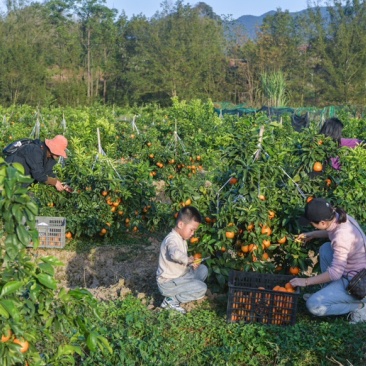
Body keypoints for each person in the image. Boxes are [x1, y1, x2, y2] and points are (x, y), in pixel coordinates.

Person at [290, 198, 366, 323]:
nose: (311, 225)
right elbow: (332, 232)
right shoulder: (340, 217)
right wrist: (313, 234)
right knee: (326, 249)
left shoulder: (342, 237)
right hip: (353, 269)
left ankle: (360, 307)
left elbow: (334, 273)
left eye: (312, 223)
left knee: (314, 305)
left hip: (358, 283)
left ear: (323, 223)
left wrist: (305, 281)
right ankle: (329, 293)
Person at [156, 206, 208, 314]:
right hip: (168, 283)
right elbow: (175, 254)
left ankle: (189, 287)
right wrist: (188, 260)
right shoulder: (171, 239)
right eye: (191, 230)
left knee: (203, 269)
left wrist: (190, 263)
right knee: (202, 288)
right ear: (181, 224)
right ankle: (171, 300)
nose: (193, 233)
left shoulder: (181, 238)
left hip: (180, 277)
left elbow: (178, 261)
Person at [5, 135, 69, 192]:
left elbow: (48, 173)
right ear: (52, 149)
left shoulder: (49, 156)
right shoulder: (35, 150)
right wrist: (54, 182)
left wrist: (62, 184)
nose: (59, 156)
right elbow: (39, 175)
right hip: (8, 177)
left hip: (19, 182)